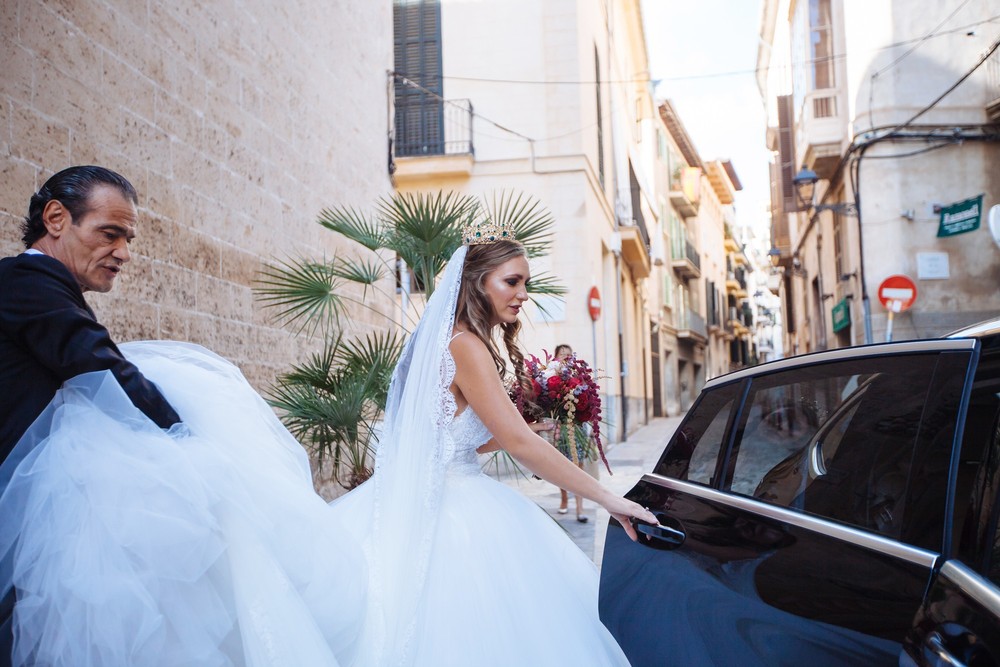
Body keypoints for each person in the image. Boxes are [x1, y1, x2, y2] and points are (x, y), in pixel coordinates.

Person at [0, 167, 366, 666]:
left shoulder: (40, 286)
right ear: (57, 218)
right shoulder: (30, 282)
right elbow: (103, 369)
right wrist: (191, 441)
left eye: (128, 238)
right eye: (109, 233)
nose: (124, 252)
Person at [331, 229, 656, 666]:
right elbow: (515, 443)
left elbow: (448, 439)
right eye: (512, 281)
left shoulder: (454, 342)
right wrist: (610, 500)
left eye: (526, 283)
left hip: (435, 494)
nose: (523, 294)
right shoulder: (466, 346)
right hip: (456, 516)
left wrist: (518, 432)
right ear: (477, 282)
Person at [551, 343, 598, 523]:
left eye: (569, 354)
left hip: (577, 427)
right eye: (562, 354)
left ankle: (580, 508)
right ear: (556, 356)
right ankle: (564, 499)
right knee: (559, 467)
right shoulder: (550, 376)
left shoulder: (579, 377)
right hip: (558, 428)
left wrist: (592, 428)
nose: (566, 357)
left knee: (579, 469)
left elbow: (589, 402)